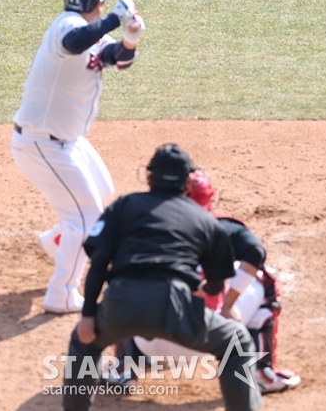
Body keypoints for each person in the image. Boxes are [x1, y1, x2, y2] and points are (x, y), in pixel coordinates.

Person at [63, 144, 263, 411]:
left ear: (149, 178)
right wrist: (202, 287)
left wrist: (88, 315)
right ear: (188, 183)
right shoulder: (203, 219)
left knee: (83, 343)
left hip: (122, 302)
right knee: (236, 342)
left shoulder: (124, 205)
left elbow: (98, 261)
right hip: (175, 305)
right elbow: (217, 285)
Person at [10, 0, 145, 314]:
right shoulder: (67, 27)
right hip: (42, 143)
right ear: (96, 2)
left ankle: (57, 242)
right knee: (87, 219)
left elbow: (117, 58)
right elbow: (75, 43)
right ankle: (61, 295)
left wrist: (130, 39)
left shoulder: (89, 32)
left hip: (67, 141)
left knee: (102, 191)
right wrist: (114, 18)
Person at [114, 168, 301, 395]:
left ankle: (125, 367)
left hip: (150, 343)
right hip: (210, 339)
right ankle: (260, 374)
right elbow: (255, 252)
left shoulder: (142, 226)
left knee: (123, 281)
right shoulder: (224, 228)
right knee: (265, 279)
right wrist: (228, 304)